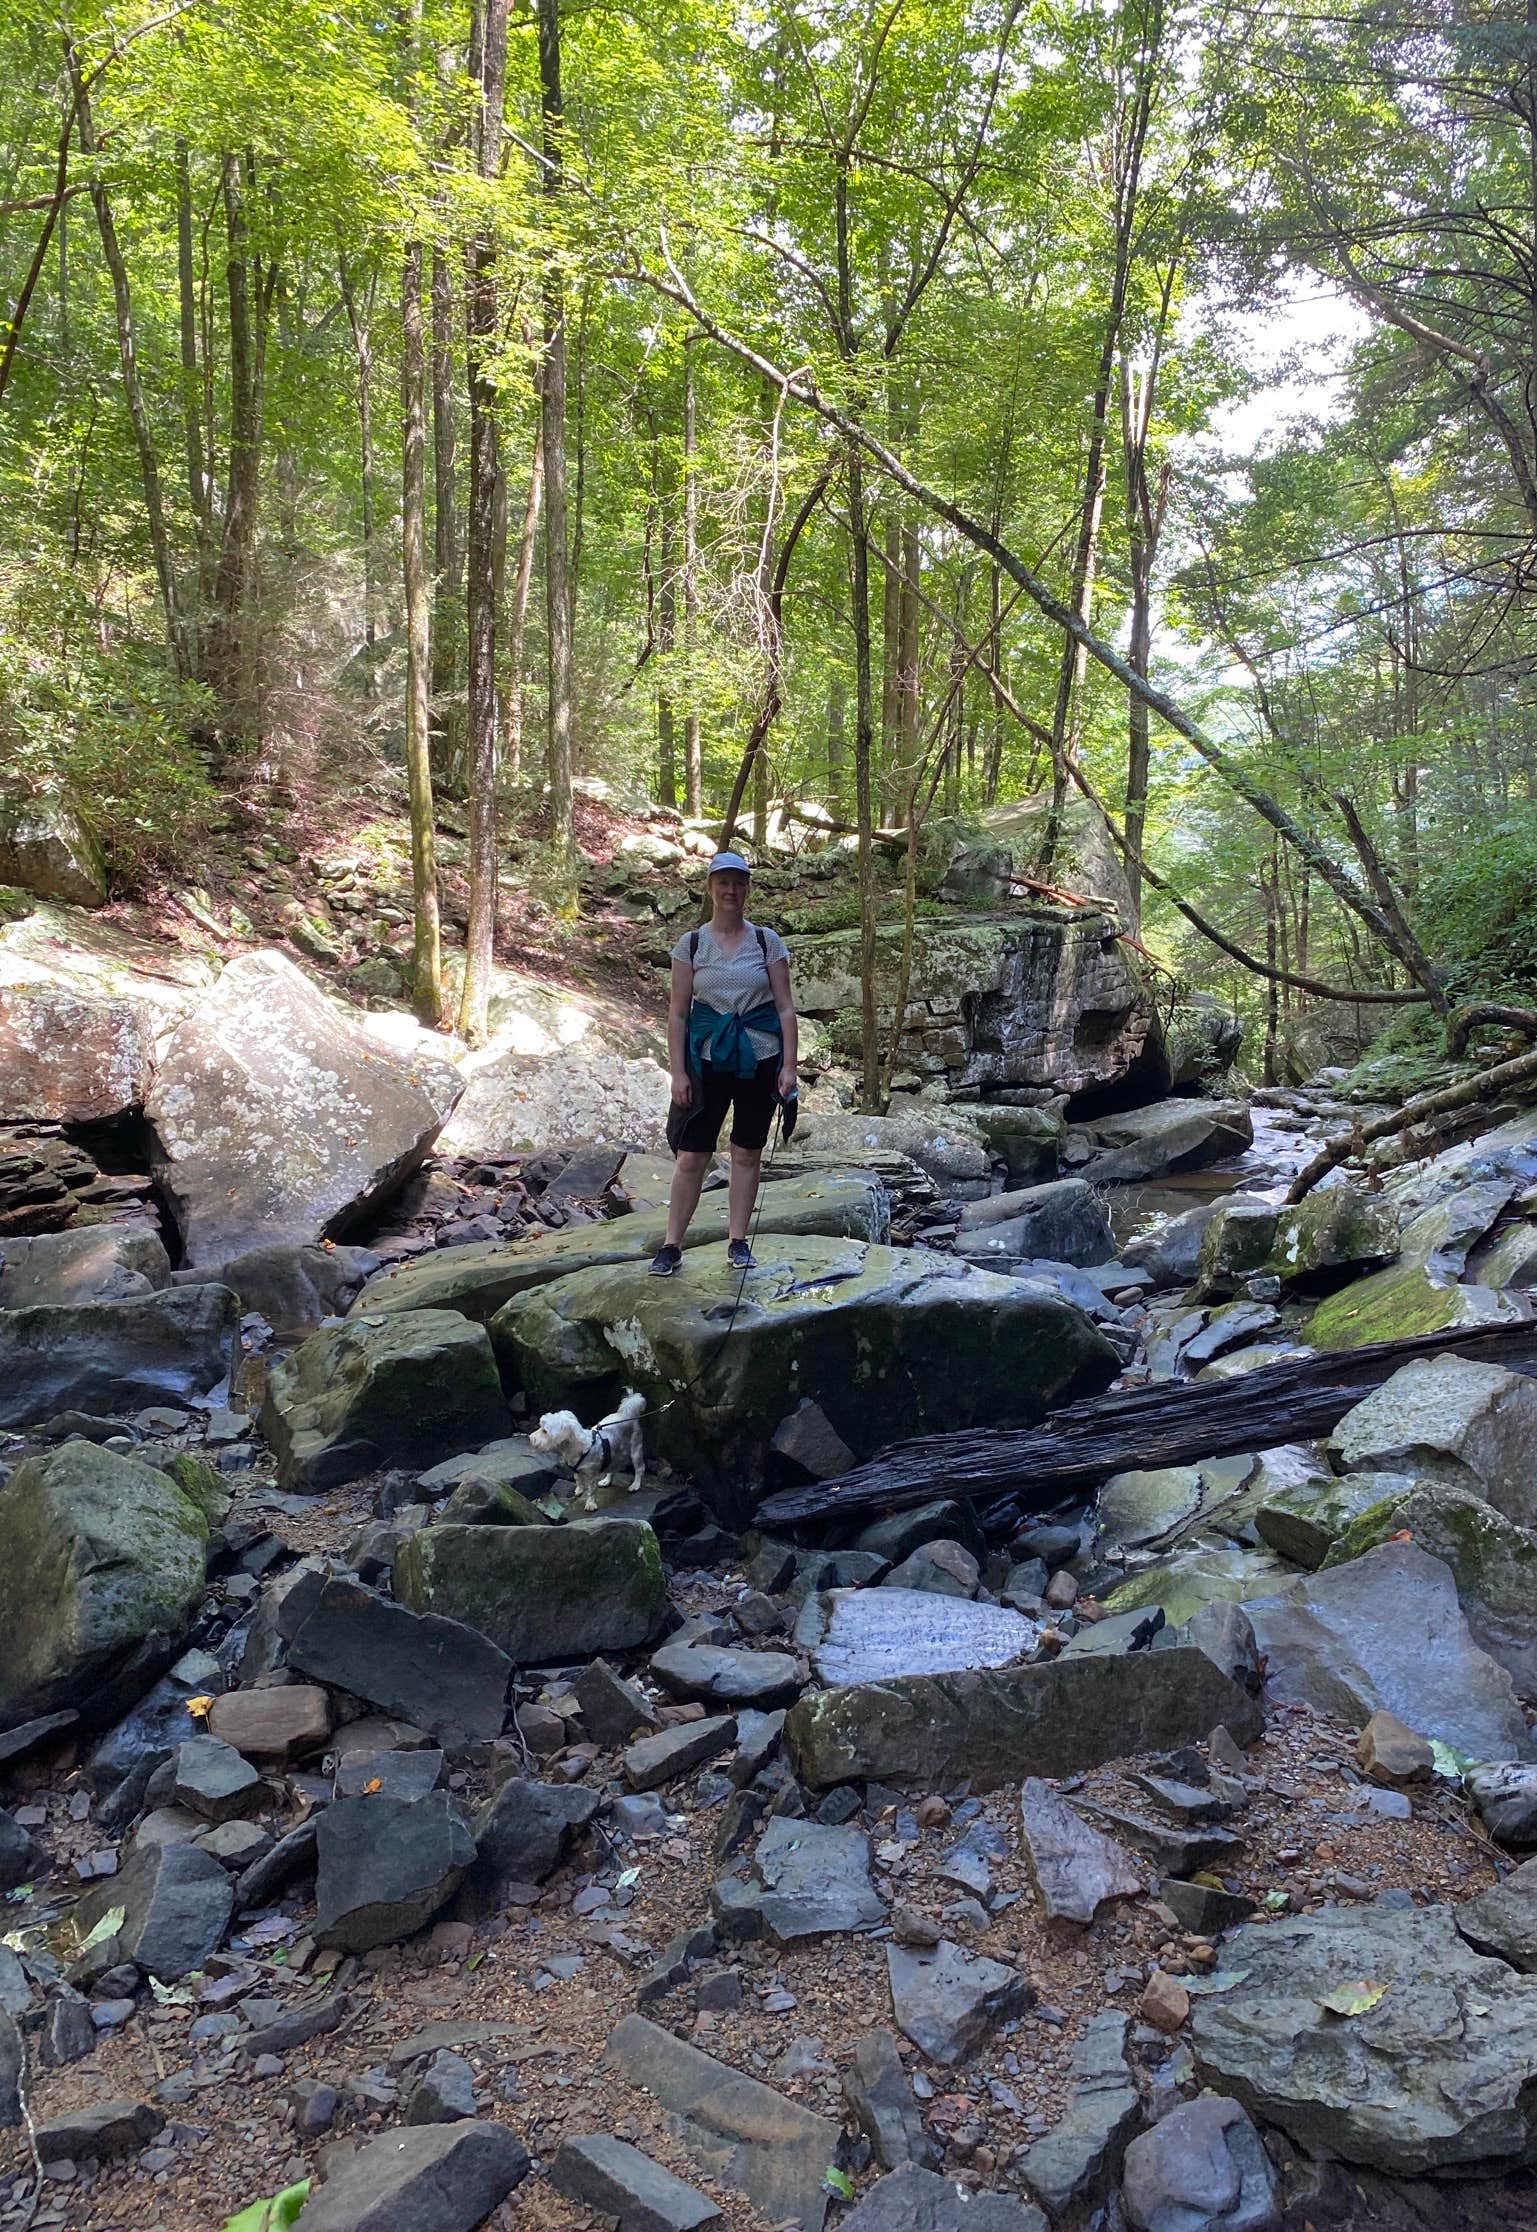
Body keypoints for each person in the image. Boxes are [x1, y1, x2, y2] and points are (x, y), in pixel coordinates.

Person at [651, 850, 798, 1276]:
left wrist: (789, 1067)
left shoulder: (767, 942)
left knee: (746, 1152)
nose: (731, 890)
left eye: (738, 883)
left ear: (747, 888)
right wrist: (678, 1072)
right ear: (710, 888)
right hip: (706, 1061)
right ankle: (671, 1245)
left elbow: (785, 1008)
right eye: (723, 882)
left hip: (760, 1059)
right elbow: (678, 1014)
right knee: (691, 1156)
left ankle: (737, 1241)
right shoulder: (691, 945)